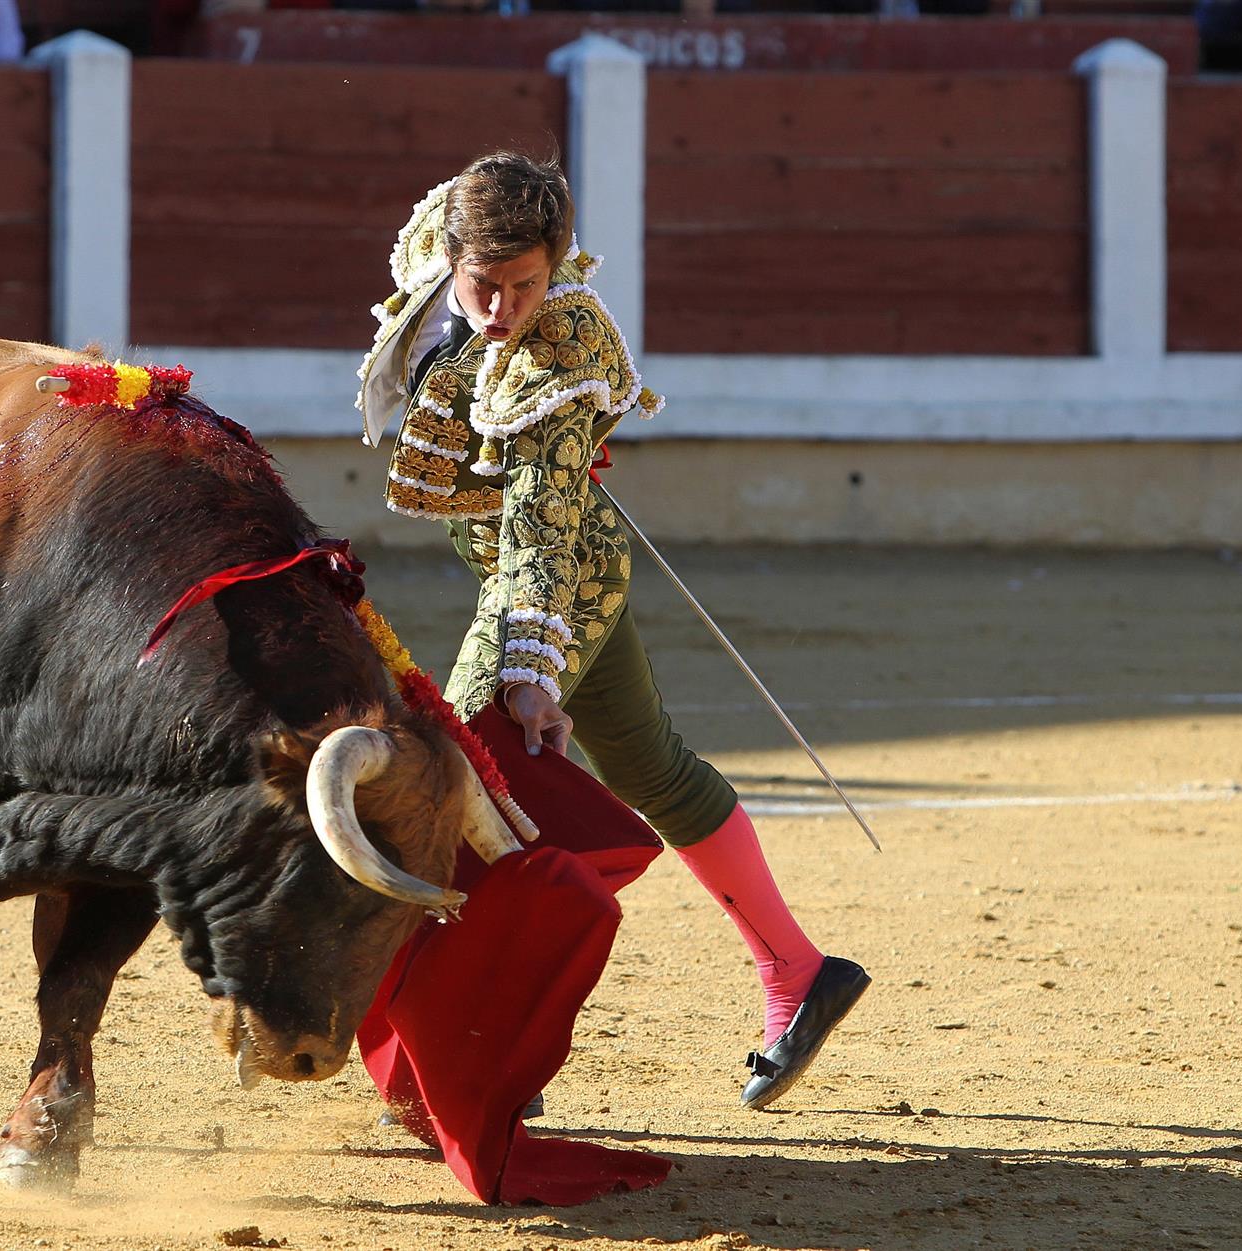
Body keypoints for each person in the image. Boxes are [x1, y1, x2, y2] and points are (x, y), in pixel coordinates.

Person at [357, 151, 869, 1110]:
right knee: (653, 772)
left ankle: (480, 1045)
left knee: (465, 779)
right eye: (486, 284)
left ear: (559, 266)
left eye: (527, 284)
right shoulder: (443, 261)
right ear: (452, 256)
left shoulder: (563, 347)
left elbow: (541, 527)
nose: (505, 306)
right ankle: (800, 973)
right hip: (540, 562)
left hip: (551, 580)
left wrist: (530, 671)